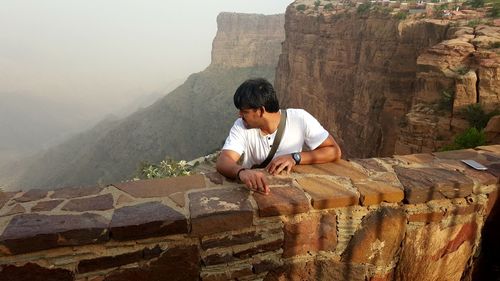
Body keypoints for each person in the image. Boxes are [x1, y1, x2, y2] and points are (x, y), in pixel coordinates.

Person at [216, 78, 342, 195]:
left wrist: (295, 157)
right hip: (258, 192)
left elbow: (334, 151)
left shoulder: (300, 119)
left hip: (290, 193)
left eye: (244, 112)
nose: (240, 115)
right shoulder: (241, 126)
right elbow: (224, 160)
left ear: (260, 111)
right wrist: (241, 172)